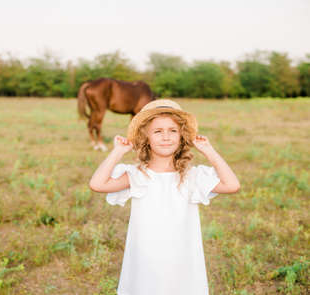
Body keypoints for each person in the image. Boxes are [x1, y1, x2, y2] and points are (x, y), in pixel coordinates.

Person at [89, 99, 240, 295]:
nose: (166, 137)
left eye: (173, 131)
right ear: (146, 138)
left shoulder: (192, 176)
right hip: (147, 257)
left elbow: (232, 185)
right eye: (158, 131)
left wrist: (209, 151)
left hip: (181, 256)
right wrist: (117, 152)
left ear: (181, 137)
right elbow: (97, 184)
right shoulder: (137, 175)